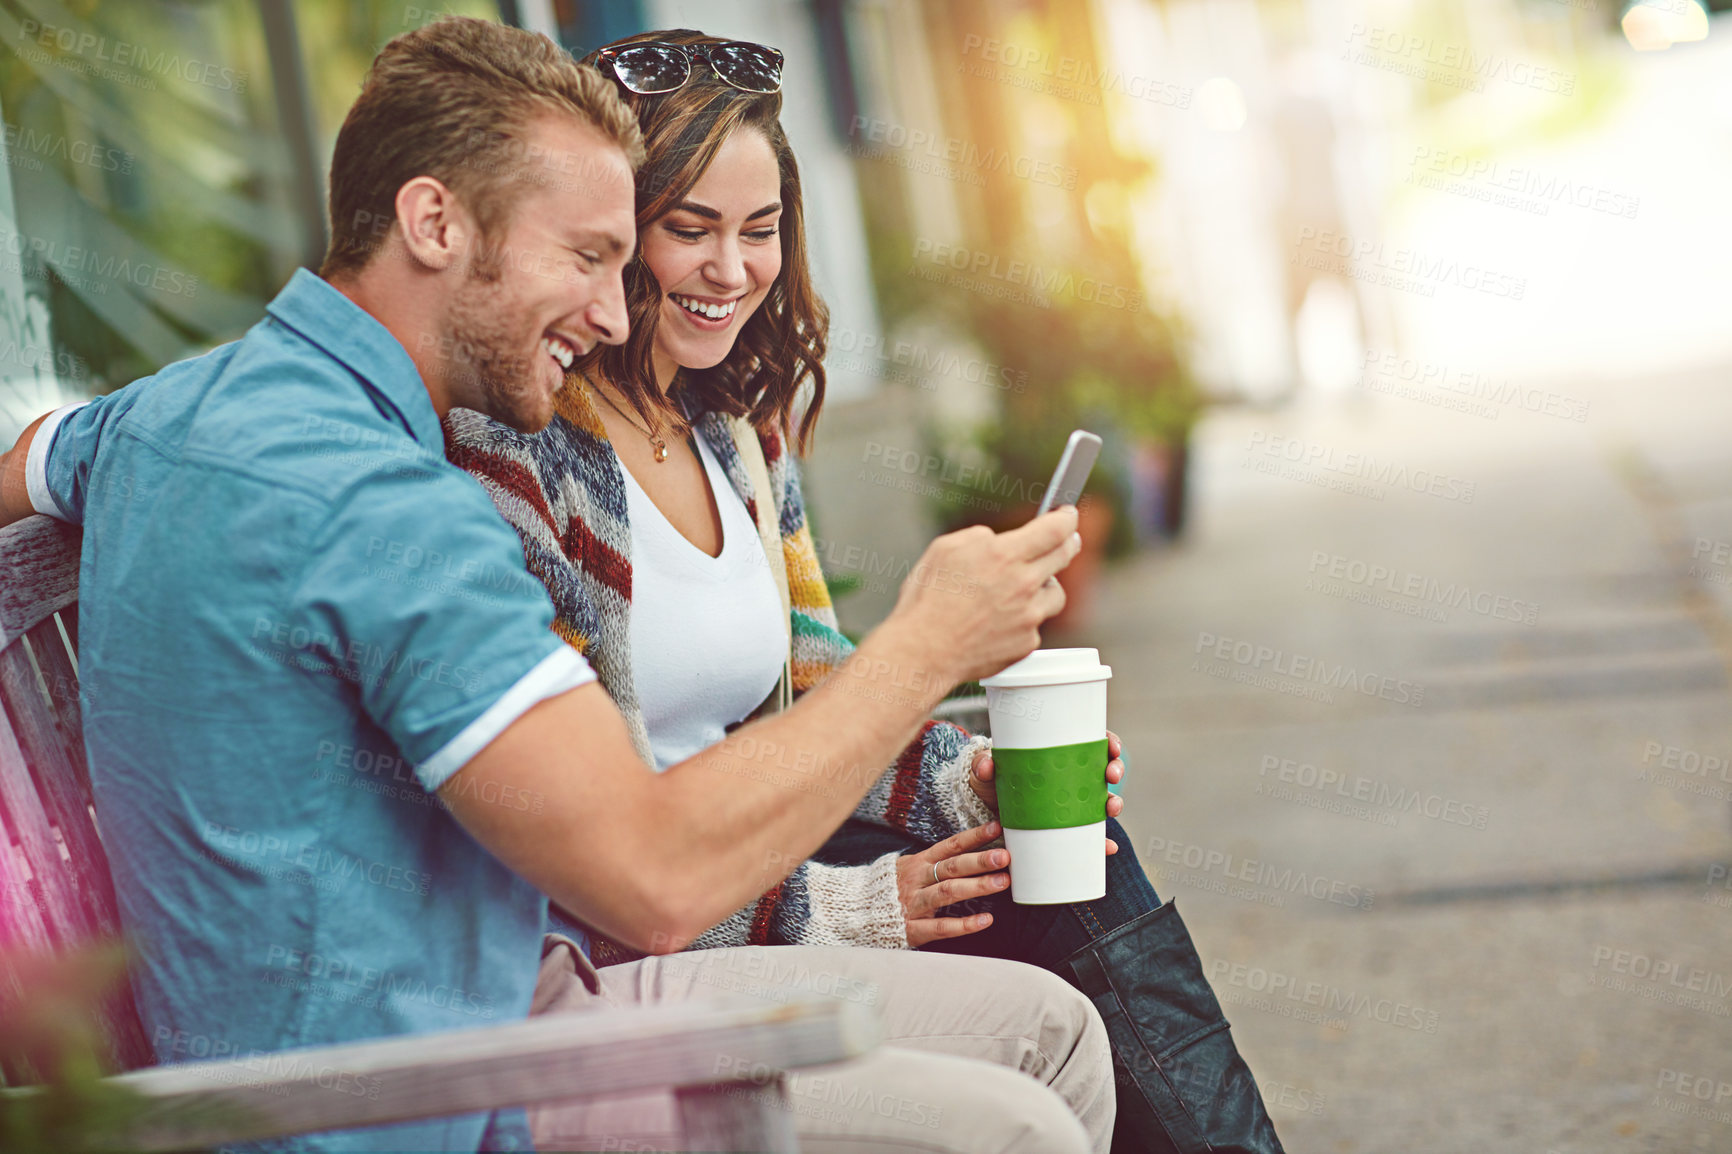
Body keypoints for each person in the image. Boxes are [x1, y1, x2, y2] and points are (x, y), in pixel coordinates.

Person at [0, 18, 1120, 1154]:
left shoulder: (174, 409)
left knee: (1051, 1032)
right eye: (587, 257)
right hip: (427, 1095)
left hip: (510, 990)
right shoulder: (385, 510)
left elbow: (26, 459)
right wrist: (925, 644)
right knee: (1018, 1128)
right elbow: (653, 877)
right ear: (433, 222)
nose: (615, 312)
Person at [446, 28, 1284, 1154]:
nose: (730, 270)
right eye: (687, 228)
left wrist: (961, 776)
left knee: (1059, 846)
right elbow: (603, 855)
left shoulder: (737, 431)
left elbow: (817, 685)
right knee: (1033, 923)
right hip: (660, 931)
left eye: (759, 231)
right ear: (610, 234)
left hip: (774, 852)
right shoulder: (525, 452)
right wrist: (846, 909)